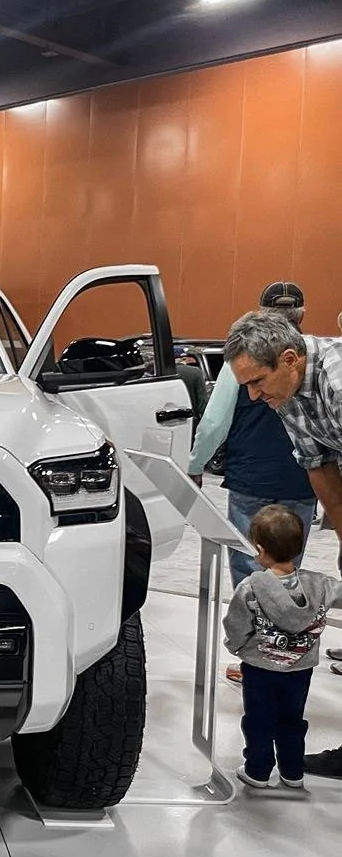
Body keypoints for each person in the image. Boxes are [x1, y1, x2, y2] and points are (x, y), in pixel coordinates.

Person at [223, 307, 342, 777]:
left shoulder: (336, 381)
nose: (254, 395)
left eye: (257, 382)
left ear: (289, 360)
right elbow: (319, 466)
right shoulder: (287, 396)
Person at [189, 283, 317, 684]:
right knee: (286, 569)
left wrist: (194, 462)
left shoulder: (242, 358)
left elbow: (214, 421)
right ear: (303, 315)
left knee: (250, 570)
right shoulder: (308, 359)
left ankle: (258, 660)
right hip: (304, 480)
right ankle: (281, 653)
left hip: (251, 480)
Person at [224, 505, 338, 789]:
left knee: (259, 720)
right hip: (301, 669)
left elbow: (236, 625)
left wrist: (237, 648)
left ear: (260, 550)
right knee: (292, 719)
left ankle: (258, 772)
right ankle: (293, 772)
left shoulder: (251, 588)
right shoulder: (320, 585)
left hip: (260, 668)